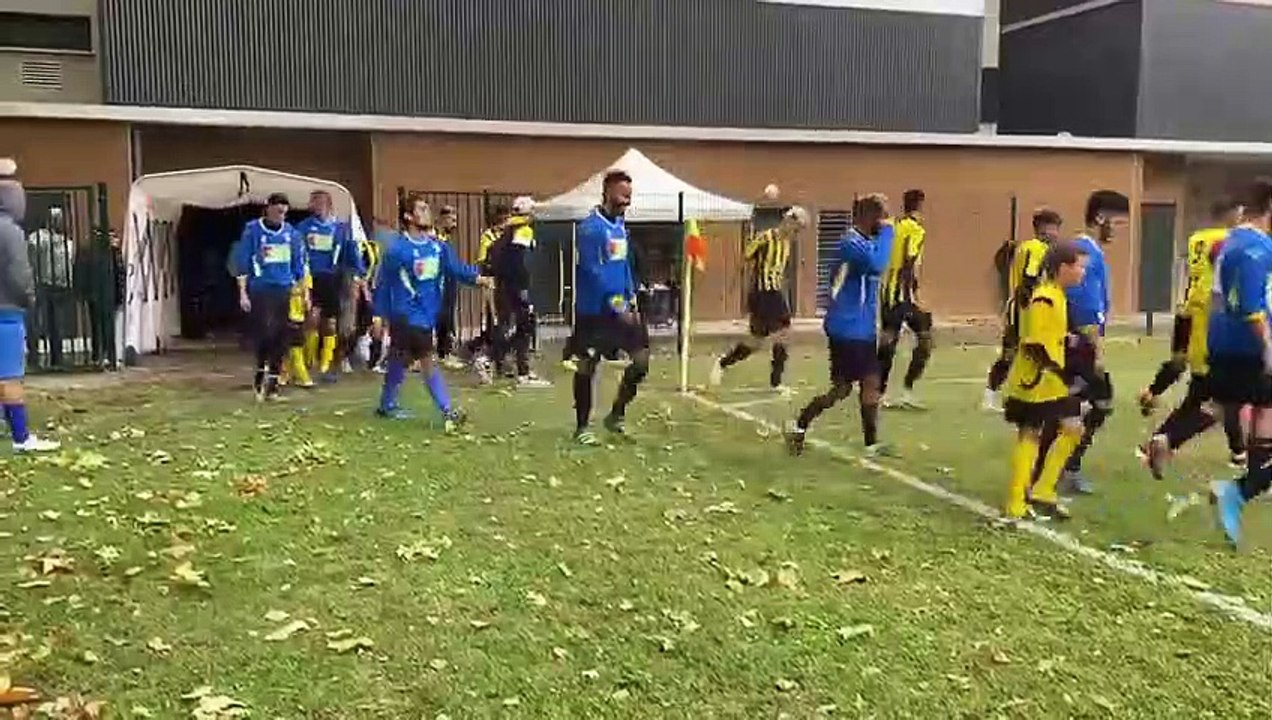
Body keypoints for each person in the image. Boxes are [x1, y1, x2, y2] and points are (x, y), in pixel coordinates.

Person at [1140, 198, 1247, 477]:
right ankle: (1170, 440)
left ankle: (1159, 441)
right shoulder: (1231, 241)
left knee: (1199, 394)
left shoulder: (1197, 238)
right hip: (1217, 318)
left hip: (1194, 314)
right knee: (1223, 402)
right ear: (1234, 213)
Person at [785, 194, 893, 457]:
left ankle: (800, 425)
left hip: (858, 326)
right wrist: (890, 231)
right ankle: (869, 444)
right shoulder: (851, 242)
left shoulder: (863, 242)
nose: (885, 222)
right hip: (849, 327)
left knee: (845, 388)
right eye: (882, 217)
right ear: (869, 216)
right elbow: (877, 264)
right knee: (868, 381)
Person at [374, 193, 491, 427]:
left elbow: (456, 269)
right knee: (428, 361)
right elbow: (383, 283)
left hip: (427, 316)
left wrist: (480, 279)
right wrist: (379, 316)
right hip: (408, 315)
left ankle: (386, 405)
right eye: (422, 209)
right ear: (408, 216)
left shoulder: (438, 247)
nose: (428, 212)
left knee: (399, 359)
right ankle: (448, 411)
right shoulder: (398, 250)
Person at [1047, 190, 1129, 496]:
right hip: (1075, 344)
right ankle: (1060, 468)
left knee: (1090, 402)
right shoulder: (1084, 253)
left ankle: (1062, 466)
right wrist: (1096, 348)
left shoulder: (1087, 250)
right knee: (1085, 402)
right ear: (1100, 218)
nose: (1119, 232)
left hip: (1076, 343)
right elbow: (1083, 308)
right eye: (1118, 224)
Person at [1002, 241, 1089, 521]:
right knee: (1031, 434)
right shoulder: (1045, 297)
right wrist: (1060, 369)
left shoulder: (1058, 296)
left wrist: (1069, 342)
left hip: (1051, 380)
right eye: (1079, 267)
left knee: (1073, 427)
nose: (1082, 273)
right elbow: (1035, 344)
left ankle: (1042, 491)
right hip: (1035, 381)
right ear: (1064, 267)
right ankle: (1016, 503)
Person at [1206, 179, 1272, 547]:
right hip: (1248, 347)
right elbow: (1251, 306)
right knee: (1229, 406)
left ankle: (1247, 484)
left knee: (1249, 409)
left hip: (1228, 342)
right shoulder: (1255, 249)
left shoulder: (1235, 242)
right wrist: (1268, 346)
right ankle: (1241, 489)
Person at [568, 169, 650, 446]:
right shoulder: (591, 228)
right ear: (607, 192)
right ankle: (582, 427)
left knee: (641, 361)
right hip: (594, 312)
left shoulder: (620, 227)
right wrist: (618, 306)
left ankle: (616, 415)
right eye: (622, 194)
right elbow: (594, 272)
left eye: (629, 195)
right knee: (587, 367)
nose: (627, 200)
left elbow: (623, 266)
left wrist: (632, 297)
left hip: (623, 307)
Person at [708, 206, 810, 392]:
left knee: (756, 341)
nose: (797, 233)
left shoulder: (787, 243)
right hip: (763, 294)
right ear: (788, 221)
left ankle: (723, 363)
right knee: (783, 333)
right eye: (797, 228)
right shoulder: (765, 238)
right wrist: (732, 288)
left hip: (774, 293)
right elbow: (744, 260)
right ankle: (775, 381)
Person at [0, 159, 59, 452]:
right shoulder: (10, 232)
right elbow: (19, 274)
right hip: (6, 312)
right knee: (10, 375)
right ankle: (21, 437)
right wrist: (29, 298)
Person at [233, 193, 308, 402]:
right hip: (260, 289)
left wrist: (303, 293)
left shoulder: (292, 235)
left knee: (281, 337)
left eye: (284, 212)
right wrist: (242, 293)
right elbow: (242, 263)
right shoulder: (252, 231)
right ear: (268, 209)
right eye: (277, 211)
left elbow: (299, 266)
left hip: (284, 290)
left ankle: (273, 384)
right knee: (265, 333)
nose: (280, 216)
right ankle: (260, 372)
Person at [983, 209, 1060, 412]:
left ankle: (993, 395)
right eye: (1053, 228)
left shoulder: (1025, 247)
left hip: (1016, 307)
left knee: (1015, 354)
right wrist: (1034, 309)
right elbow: (1029, 278)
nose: (1056, 233)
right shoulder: (1038, 249)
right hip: (1025, 310)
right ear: (1043, 229)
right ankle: (1000, 395)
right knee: (1026, 353)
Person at [295, 190, 364, 382]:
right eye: (313, 202)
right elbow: (298, 252)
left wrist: (358, 275)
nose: (315, 205)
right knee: (312, 317)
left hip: (333, 278)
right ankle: (310, 359)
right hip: (312, 278)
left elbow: (352, 251)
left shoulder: (340, 228)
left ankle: (326, 362)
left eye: (319, 202)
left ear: (328, 204)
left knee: (331, 322)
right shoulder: (304, 227)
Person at [878, 189, 933, 409]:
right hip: (903, 295)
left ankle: (879, 392)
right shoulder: (916, 229)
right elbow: (910, 262)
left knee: (889, 342)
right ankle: (903, 390)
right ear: (920, 205)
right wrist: (914, 294)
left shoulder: (891, 225)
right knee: (924, 339)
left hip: (887, 293)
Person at [488, 196, 549, 387]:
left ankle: (507, 365)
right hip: (517, 286)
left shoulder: (507, 231)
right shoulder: (523, 231)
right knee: (523, 327)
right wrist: (524, 287)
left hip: (505, 285)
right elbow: (519, 260)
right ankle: (515, 368)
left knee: (513, 326)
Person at [463, 204, 510, 382]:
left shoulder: (507, 236)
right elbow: (482, 262)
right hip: (492, 284)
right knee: (495, 323)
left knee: (503, 324)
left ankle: (495, 359)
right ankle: (488, 359)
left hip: (505, 285)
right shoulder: (488, 237)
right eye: (505, 218)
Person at [434, 205, 464, 369]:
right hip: (440, 283)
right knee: (442, 316)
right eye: (452, 220)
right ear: (443, 219)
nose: (455, 224)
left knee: (447, 316)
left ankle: (445, 352)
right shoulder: (435, 238)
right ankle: (442, 353)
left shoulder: (445, 238)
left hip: (449, 282)